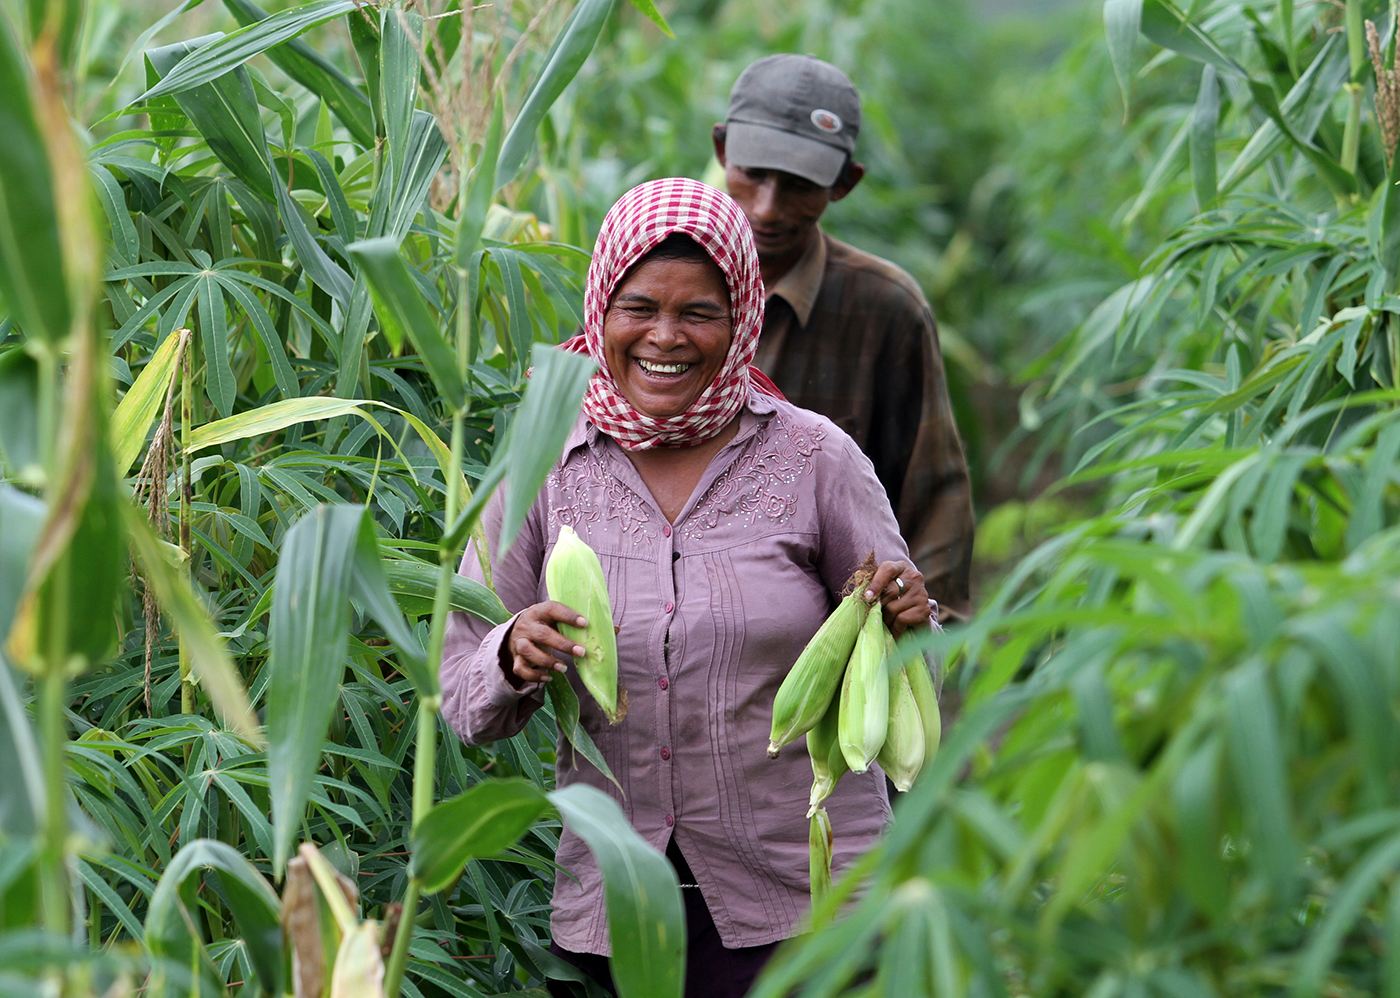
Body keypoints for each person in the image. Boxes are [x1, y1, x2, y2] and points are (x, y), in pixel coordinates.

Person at [440, 178, 937, 998]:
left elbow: (908, 670)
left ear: (742, 317)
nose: (664, 337)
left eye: (699, 313)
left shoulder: (815, 459)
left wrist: (907, 623)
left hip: (806, 901)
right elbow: (462, 699)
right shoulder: (543, 466)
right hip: (619, 903)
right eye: (639, 307)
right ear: (601, 306)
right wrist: (511, 652)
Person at [712, 54, 975, 621]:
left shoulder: (883, 308)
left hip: (838, 637)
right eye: (753, 173)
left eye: (801, 184)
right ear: (721, 151)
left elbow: (933, 492)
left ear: (844, 183)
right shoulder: (651, 283)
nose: (767, 206)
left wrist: (928, 634)